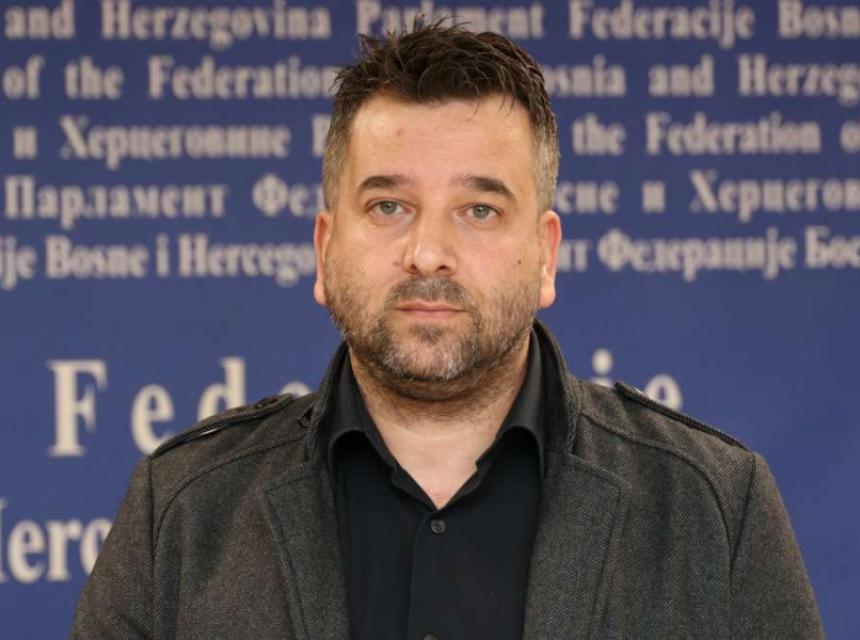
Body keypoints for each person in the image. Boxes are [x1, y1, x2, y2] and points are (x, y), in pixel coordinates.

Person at [70, 21, 823, 640]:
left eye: (480, 210)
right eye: (388, 206)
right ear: (324, 250)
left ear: (546, 255)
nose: (429, 251)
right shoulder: (180, 512)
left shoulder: (716, 510)